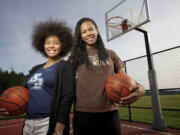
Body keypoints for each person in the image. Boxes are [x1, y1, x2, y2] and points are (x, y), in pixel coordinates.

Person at [69, 17, 146, 135]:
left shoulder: (111, 54)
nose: (88, 33)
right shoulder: (74, 57)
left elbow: (124, 78)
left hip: (110, 113)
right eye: (83, 32)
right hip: (83, 115)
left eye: (90, 29)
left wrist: (141, 88)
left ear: (97, 30)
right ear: (80, 36)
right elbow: (66, 83)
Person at [0, 19, 74, 135]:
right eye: (48, 42)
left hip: (48, 122)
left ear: (62, 45)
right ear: (42, 45)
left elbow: (67, 97)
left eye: (56, 42)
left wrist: (59, 127)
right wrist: (10, 108)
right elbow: (23, 93)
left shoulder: (65, 67)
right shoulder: (35, 69)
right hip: (28, 123)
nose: (51, 46)